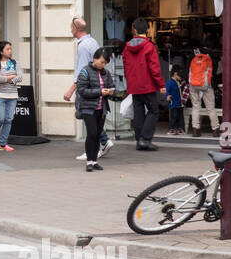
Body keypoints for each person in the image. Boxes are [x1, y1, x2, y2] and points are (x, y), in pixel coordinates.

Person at [63, 17, 112, 161]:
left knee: (86, 116)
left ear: (75, 28)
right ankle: (101, 144)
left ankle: (96, 148)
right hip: (97, 87)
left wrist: (71, 90)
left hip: (89, 90)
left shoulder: (84, 46)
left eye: (71, 27)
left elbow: (82, 71)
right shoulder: (93, 42)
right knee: (92, 119)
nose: (70, 29)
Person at [122, 17, 163, 151]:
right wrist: (161, 85)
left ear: (134, 29)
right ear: (148, 29)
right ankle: (145, 139)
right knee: (154, 111)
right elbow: (154, 68)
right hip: (147, 85)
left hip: (134, 86)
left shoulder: (127, 48)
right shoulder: (149, 46)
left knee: (138, 113)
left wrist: (129, 84)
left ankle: (139, 139)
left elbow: (125, 67)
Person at [75, 47, 116, 172]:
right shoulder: (85, 71)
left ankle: (94, 161)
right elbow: (81, 90)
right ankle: (89, 162)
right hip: (88, 108)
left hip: (101, 108)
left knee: (97, 134)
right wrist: (99, 92)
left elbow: (112, 86)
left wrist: (111, 92)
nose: (103, 65)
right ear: (95, 59)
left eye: (105, 63)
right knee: (91, 134)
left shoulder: (106, 73)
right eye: (102, 62)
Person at [0, 40, 23, 152]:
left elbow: (20, 77)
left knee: (9, 119)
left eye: (11, 49)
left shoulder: (14, 63)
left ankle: (3, 144)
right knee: (0, 119)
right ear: (1, 51)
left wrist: (7, 79)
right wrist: (11, 76)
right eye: (7, 49)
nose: (10, 51)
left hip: (12, 96)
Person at [187, 46, 217, 137]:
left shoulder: (193, 53)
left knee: (196, 107)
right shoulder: (211, 54)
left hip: (193, 84)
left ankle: (195, 130)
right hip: (207, 85)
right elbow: (215, 71)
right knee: (210, 108)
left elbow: (186, 69)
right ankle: (215, 130)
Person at [165, 66, 186, 135]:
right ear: (175, 74)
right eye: (179, 76)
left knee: (181, 116)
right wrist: (167, 95)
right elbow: (167, 90)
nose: (181, 78)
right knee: (173, 116)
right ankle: (171, 129)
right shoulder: (170, 82)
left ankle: (181, 128)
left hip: (180, 103)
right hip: (173, 103)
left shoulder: (178, 82)